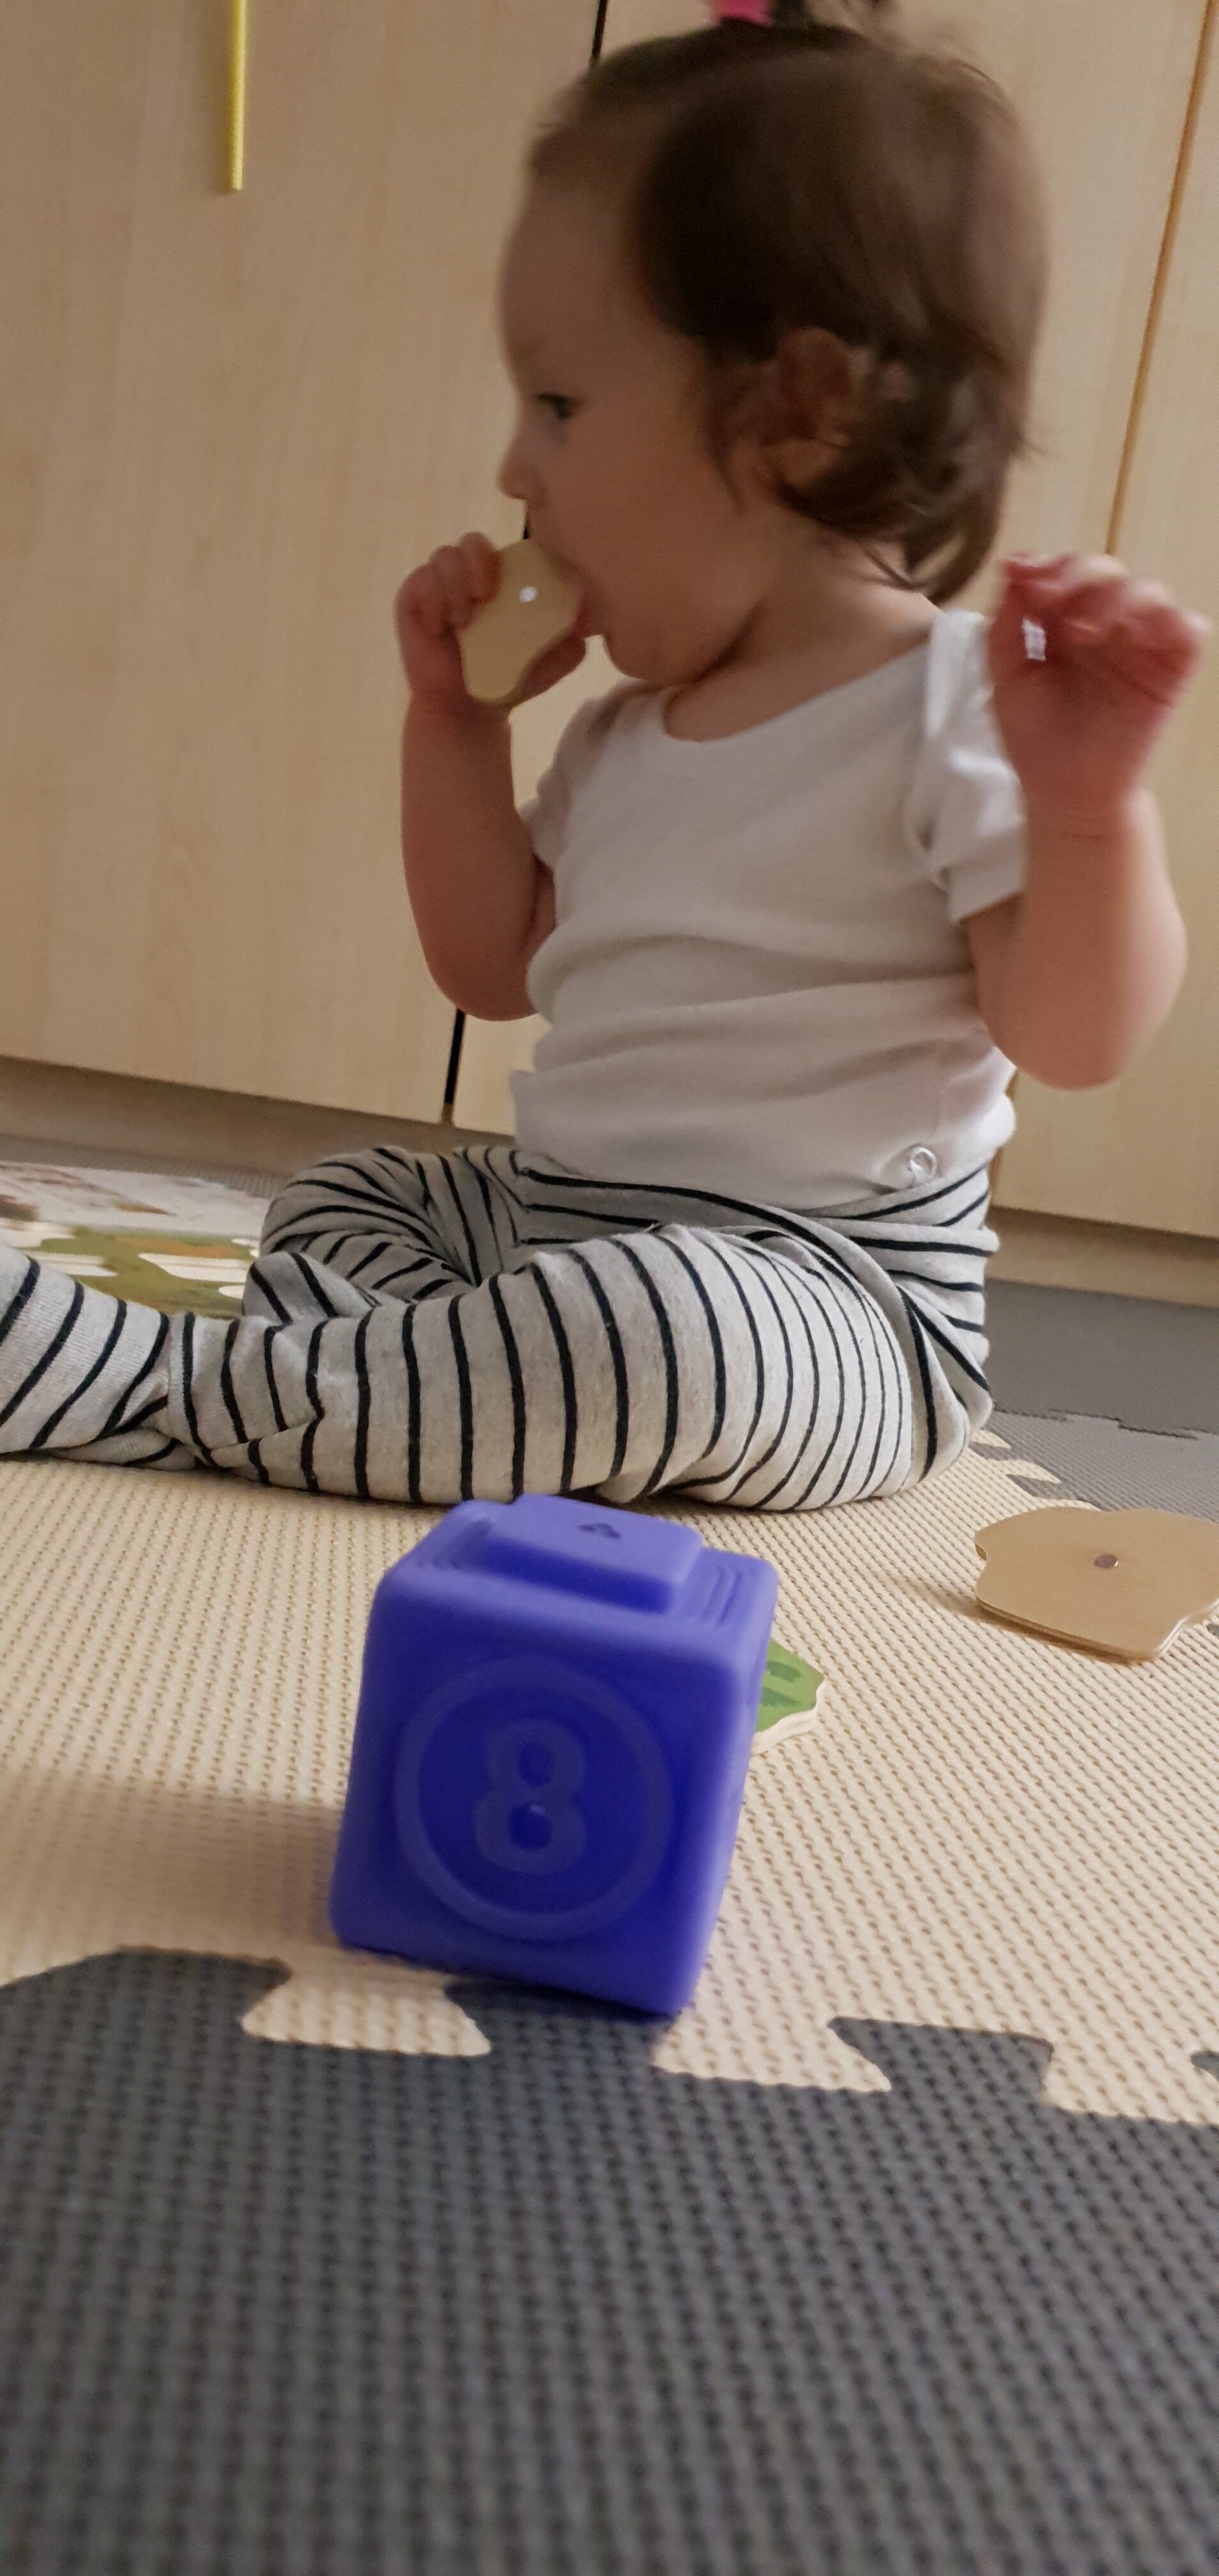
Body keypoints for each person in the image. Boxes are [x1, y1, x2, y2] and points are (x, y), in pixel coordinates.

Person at [0, 0, 1206, 1510]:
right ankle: (406, 1391)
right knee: (350, 1195)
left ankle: (163, 1386)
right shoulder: (629, 726)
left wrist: (1091, 813)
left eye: (560, 404)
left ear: (801, 418)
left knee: (660, 1338)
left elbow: (1075, 1037)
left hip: (827, 1304)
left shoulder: (955, 701)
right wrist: (455, 725)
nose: (516, 465)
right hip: (554, 1225)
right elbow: (491, 964)